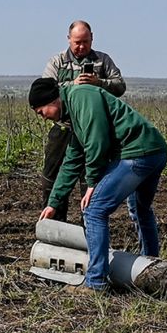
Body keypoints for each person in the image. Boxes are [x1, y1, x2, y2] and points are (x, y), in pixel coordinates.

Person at [28, 77, 167, 291]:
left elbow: (97, 140)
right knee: (141, 209)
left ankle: (95, 282)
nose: (43, 118)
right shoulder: (73, 111)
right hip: (153, 150)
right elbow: (73, 158)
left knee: (93, 210)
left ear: (52, 101)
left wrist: (93, 181)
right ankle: (151, 268)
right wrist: (53, 203)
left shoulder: (81, 96)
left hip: (136, 153)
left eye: (41, 112)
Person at [39, 20, 125, 222]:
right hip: (63, 130)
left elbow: (120, 86)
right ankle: (54, 226)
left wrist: (99, 83)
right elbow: (46, 90)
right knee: (52, 178)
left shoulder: (103, 61)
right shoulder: (57, 61)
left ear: (92, 38)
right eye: (77, 42)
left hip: (93, 131)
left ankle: (90, 229)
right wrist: (72, 84)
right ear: (68, 39)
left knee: (91, 181)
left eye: (85, 42)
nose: (81, 46)